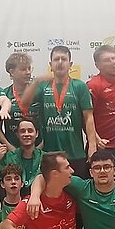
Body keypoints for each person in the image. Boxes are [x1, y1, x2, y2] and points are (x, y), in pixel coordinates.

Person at [20, 45, 100, 177]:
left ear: (70, 64)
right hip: (49, 154)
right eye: (56, 59)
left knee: (77, 188)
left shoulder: (79, 86)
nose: (60, 62)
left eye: (64, 59)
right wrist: (36, 82)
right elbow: (24, 103)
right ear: (51, 65)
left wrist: (92, 145)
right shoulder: (43, 86)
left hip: (75, 153)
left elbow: (88, 117)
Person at [0, 118, 44, 196]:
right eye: (22, 131)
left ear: (37, 134)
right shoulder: (8, 157)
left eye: (30, 131)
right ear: (17, 134)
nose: (26, 134)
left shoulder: (45, 158)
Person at [0, 52, 38, 148]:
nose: (28, 72)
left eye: (29, 68)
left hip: (38, 149)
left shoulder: (39, 92)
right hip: (12, 149)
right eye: (23, 69)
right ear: (12, 72)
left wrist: (39, 150)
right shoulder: (5, 94)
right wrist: (11, 149)